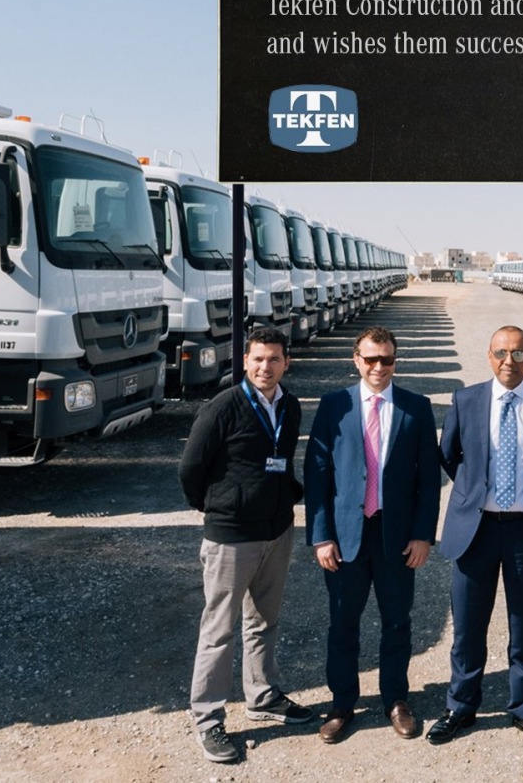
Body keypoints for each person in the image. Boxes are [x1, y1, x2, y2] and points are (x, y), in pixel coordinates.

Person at [426, 325, 523, 749]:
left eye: (519, 353)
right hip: (477, 530)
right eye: (502, 353)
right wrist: (474, 495)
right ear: (489, 356)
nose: (510, 361)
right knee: (468, 627)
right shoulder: (466, 400)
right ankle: (461, 705)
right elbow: (450, 454)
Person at [179, 327, 313, 764]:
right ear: (245, 361)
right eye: (257, 359)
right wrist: (221, 508)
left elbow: (281, 460)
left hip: (277, 532)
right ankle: (208, 718)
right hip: (231, 537)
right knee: (218, 629)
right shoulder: (223, 407)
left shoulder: (290, 406)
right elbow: (191, 469)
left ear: (286, 363)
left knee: (264, 622)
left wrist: (284, 500)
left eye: (273, 359)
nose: (264, 367)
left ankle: (263, 695)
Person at [304, 327, 442, 743]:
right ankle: (343, 702)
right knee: (343, 621)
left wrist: (423, 535)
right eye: (370, 359)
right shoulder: (333, 407)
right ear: (356, 360)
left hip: (396, 535)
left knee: (397, 621)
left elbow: (429, 481)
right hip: (346, 536)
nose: (378, 367)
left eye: (386, 360)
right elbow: (317, 474)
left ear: (395, 361)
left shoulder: (417, 408)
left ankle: (396, 699)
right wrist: (321, 534)